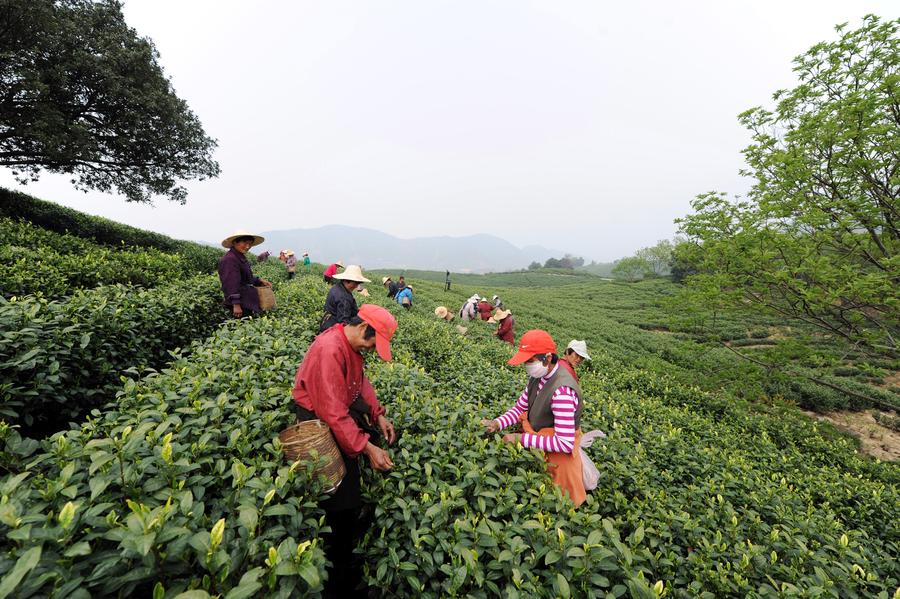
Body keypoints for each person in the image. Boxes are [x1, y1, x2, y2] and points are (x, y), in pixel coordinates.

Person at [291, 304, 398, 598]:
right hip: (319, 420)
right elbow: (333, 413)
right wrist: (367, 448)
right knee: (338, 492)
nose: (373, 350)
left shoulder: (350, 346)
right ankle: (336, 566)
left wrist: (377, 414)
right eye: (373, 343)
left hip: (336, 414)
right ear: (363, 328)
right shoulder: (329, 349)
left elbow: (360, 383)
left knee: (349, 485)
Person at [481, 330, 586, 507]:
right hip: (539, 443)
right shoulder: (538, 377)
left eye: (530, 361)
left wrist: (520, 439)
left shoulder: (563, 392)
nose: (527, 365)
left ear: (547, 358)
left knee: (556, 503)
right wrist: (498, 423)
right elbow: (520, 408)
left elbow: (565, 443)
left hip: (558, 460)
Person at [218, 230, 272, 318]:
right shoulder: (229, 259)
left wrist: (260, 281)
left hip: (246, 301)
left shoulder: (239, 256)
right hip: (240, 304)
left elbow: (246, 277)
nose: (248, 246)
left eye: (250, 244)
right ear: (235, 242)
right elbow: (230, 283)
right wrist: (236, 304)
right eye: (245, 243)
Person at [320, 265, 370, 332]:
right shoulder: (344, 298)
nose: (356, 286)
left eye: (358, 283)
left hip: (326, 322)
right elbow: (344, 322)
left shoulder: (337, 287)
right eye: (355, 283)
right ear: (347, 281)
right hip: (332, 328)